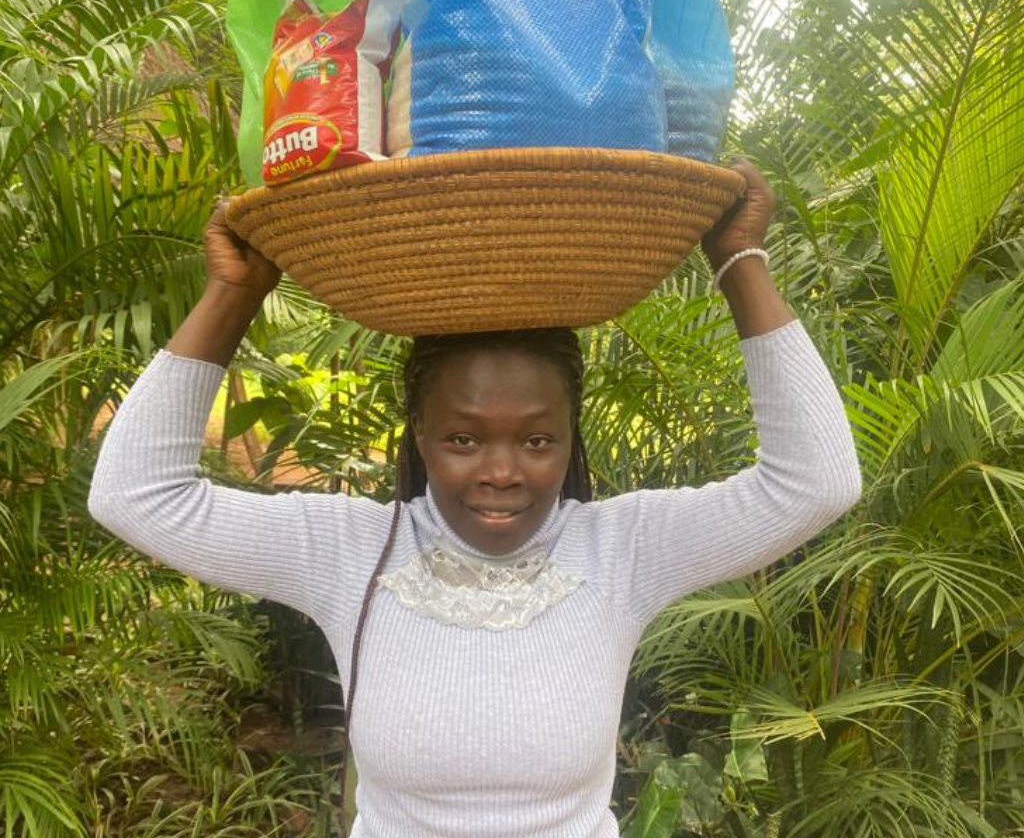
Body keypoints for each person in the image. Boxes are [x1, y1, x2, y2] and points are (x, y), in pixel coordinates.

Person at [88, 160, 861, 838]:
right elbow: (134, 495)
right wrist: (234, 293)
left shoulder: (623, 549)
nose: (502, 472)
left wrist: (741, 263)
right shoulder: (348, 552)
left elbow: (816, 481)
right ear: (419, 436)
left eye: (536, 440)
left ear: (571, 439)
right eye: (463, 440)